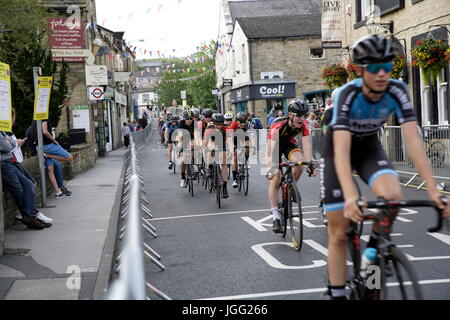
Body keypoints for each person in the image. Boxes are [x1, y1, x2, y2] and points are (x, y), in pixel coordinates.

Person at [322, 34, 450, 300]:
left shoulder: (397, 90)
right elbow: (342, 151)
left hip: (369, 148)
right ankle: (336, 294)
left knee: (392, 199)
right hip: (338, 152)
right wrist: (351, 196)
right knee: (338, 231)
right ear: (360, 70)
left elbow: (414, 142)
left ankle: (373, 257)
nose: (382, 74)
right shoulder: (348, 94)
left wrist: (434, 190)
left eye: (387, 66)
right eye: (373, 67)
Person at [266, 100, 316, 233]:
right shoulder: (277, 124)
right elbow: (271, 149)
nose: (302, 118)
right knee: (275, 177)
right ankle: (276, 216)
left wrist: (310, 163)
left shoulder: (303, 125)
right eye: (298, 115)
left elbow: (306, 145)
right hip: (274, 145)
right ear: (290, 115)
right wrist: (271, 168)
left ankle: (291, 185)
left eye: (304, 115)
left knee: (299, 163)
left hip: (288, 144)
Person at [1, 120, 52, 229]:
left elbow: (9, 144)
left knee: (29, 184)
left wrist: (9, 142)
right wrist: (11, 143)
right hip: (4, 164)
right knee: (18, 189)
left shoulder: (3, 130)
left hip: (10, 161)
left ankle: (30, 215)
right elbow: (6, 147)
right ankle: (31, 216)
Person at [203, 113, 230, 199]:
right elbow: (205, 143)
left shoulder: (226, 128)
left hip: (222, 143)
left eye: (220, 124)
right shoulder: (209, 129)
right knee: (210, 149)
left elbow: (230, 141)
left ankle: (225, 187)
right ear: (213, 123)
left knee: (224, 162)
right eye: (217, 124)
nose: (219, 126)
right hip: (212, 141)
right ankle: (209, 166)